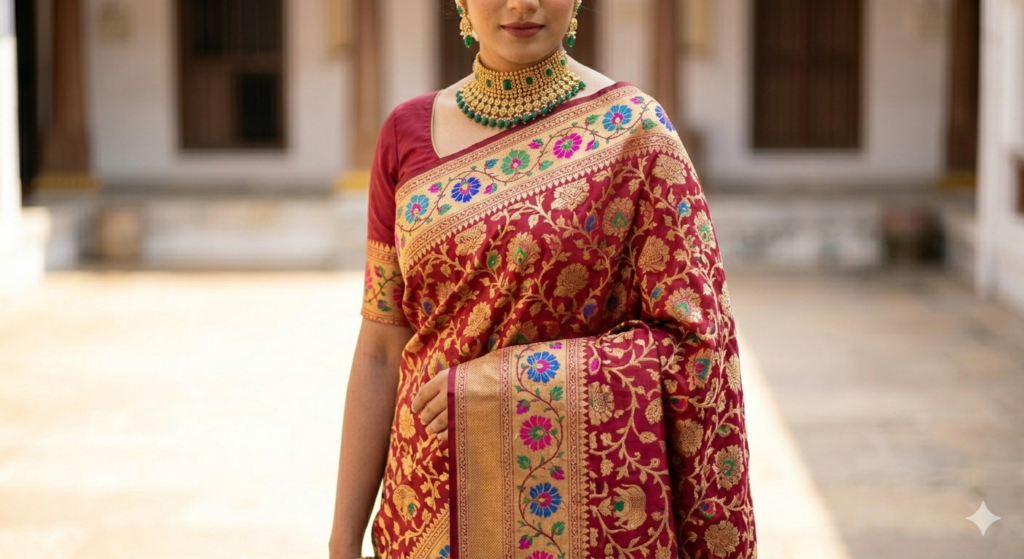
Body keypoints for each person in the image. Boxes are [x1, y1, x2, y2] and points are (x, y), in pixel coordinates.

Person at [330, 1, 756, 557]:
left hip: (573, 513)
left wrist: (513, 384)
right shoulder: (403, 133)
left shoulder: (634, 134)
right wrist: (343, 538)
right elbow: (380, 349)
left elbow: (697, 346)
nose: (522, 3)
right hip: (426, 508)